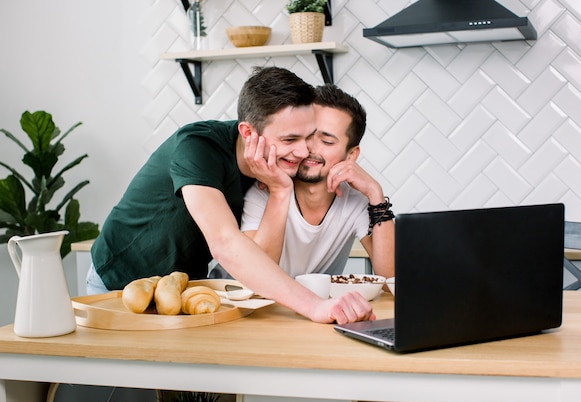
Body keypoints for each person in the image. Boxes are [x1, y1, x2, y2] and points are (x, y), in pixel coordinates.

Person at [87, 67, 374, 324]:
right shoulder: (198, 147)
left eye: (308, 136)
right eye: (290, 140)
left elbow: (261, 258)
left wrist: (280, 189)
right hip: (120, 282)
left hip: (181, 291)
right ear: (247, 132)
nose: (303, 152)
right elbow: (224, 242)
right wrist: (315, 307)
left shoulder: (274, 167)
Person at [240, 83, 395, 278]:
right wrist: (279, 191)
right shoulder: (263, 192)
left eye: (327, 141)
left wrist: (375, 193)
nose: (308, 149)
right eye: (306, 135)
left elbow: (392, 281)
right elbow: (256, 277)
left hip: (319, 306)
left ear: (351, 154)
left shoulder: (356, 202)